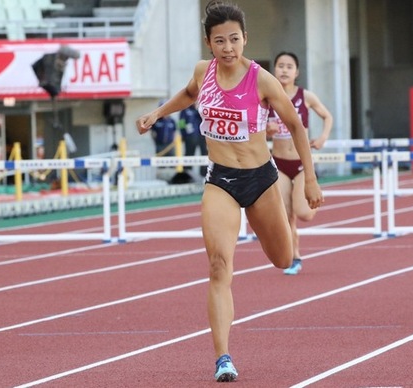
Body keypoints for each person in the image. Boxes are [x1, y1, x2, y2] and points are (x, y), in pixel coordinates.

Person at [135, 0, 323, 382]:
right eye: (220, 41)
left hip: (260, 179)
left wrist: (312, 178)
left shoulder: (263, 80)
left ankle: (273, 233)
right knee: (219, 266)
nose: (228, 48)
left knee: (284, 258)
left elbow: (297, 126)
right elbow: (189, 94)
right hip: (220, 180)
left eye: (234, 39)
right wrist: (158, 113)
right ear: (209, 43)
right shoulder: (203, 73)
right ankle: (223, 357)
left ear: (245, 39)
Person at [267, 51, 333, 275]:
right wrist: (267, 130)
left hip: (301, 163)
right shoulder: (268, 97)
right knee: (285, 216)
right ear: (274, 70)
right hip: (279, 163)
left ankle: (308, 197)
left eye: (289, 66)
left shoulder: (306, 96)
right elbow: (254, 127)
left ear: (297, 72)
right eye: (280, 66)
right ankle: (295, 256)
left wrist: (323, 137)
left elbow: (327, 116)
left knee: (304, 213)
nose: (284, 70)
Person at [178, 104, 208, 176]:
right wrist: (183, 135)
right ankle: (187, 173)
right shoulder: (184, 110)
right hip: (190, 136)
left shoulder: (199, 110)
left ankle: (204, 173)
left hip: (201, 135)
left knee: (204, 153)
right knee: (189, 153)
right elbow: (181, 123)